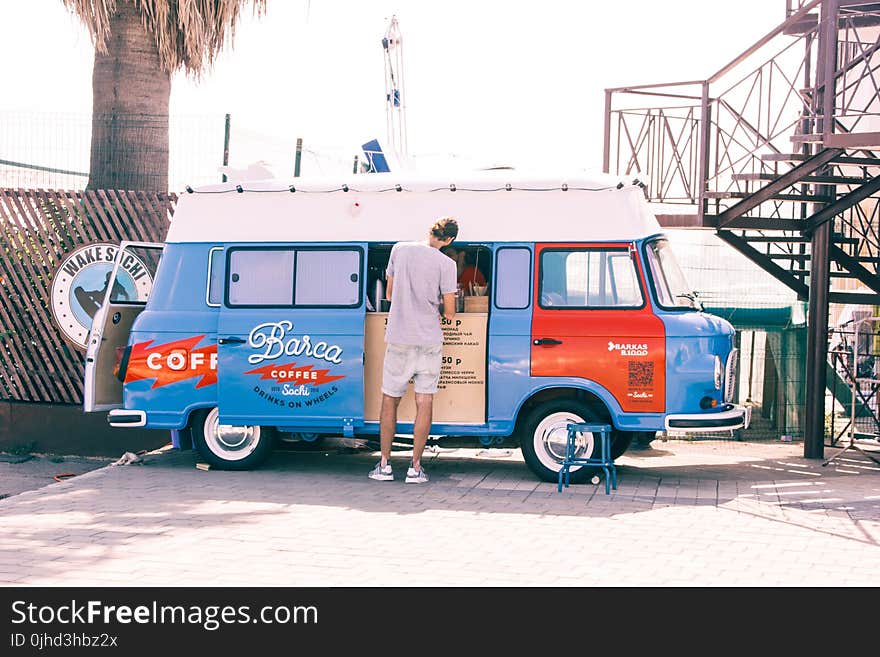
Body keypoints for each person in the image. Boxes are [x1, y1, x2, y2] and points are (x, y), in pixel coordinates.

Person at [369, 217, 459, 484]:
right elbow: (451, 311)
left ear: (430, 231)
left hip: (399, 337)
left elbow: (389, 291)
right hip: (429, 339)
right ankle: (415, 468)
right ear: (450, 240)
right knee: (425, 401)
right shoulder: (448, 264)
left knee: (389, 400)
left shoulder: (400, 249)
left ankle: (384, 465)